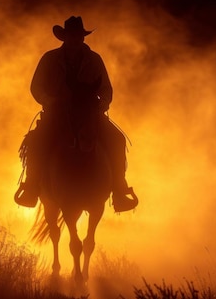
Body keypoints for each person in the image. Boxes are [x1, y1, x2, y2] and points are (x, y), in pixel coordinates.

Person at [14, 16, 138, 212]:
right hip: (57, 113)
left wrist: (102, 104)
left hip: (90, 114)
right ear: (65, 37)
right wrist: (49, 100)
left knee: (117, 140)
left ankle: (119, 188)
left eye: (79, 36)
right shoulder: (50, 59)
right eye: (72, 36)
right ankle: (31, 186)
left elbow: (106, 88)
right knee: (36, 141)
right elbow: (36, 87)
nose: (76, 39)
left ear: (82, 38)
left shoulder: (94, 60)